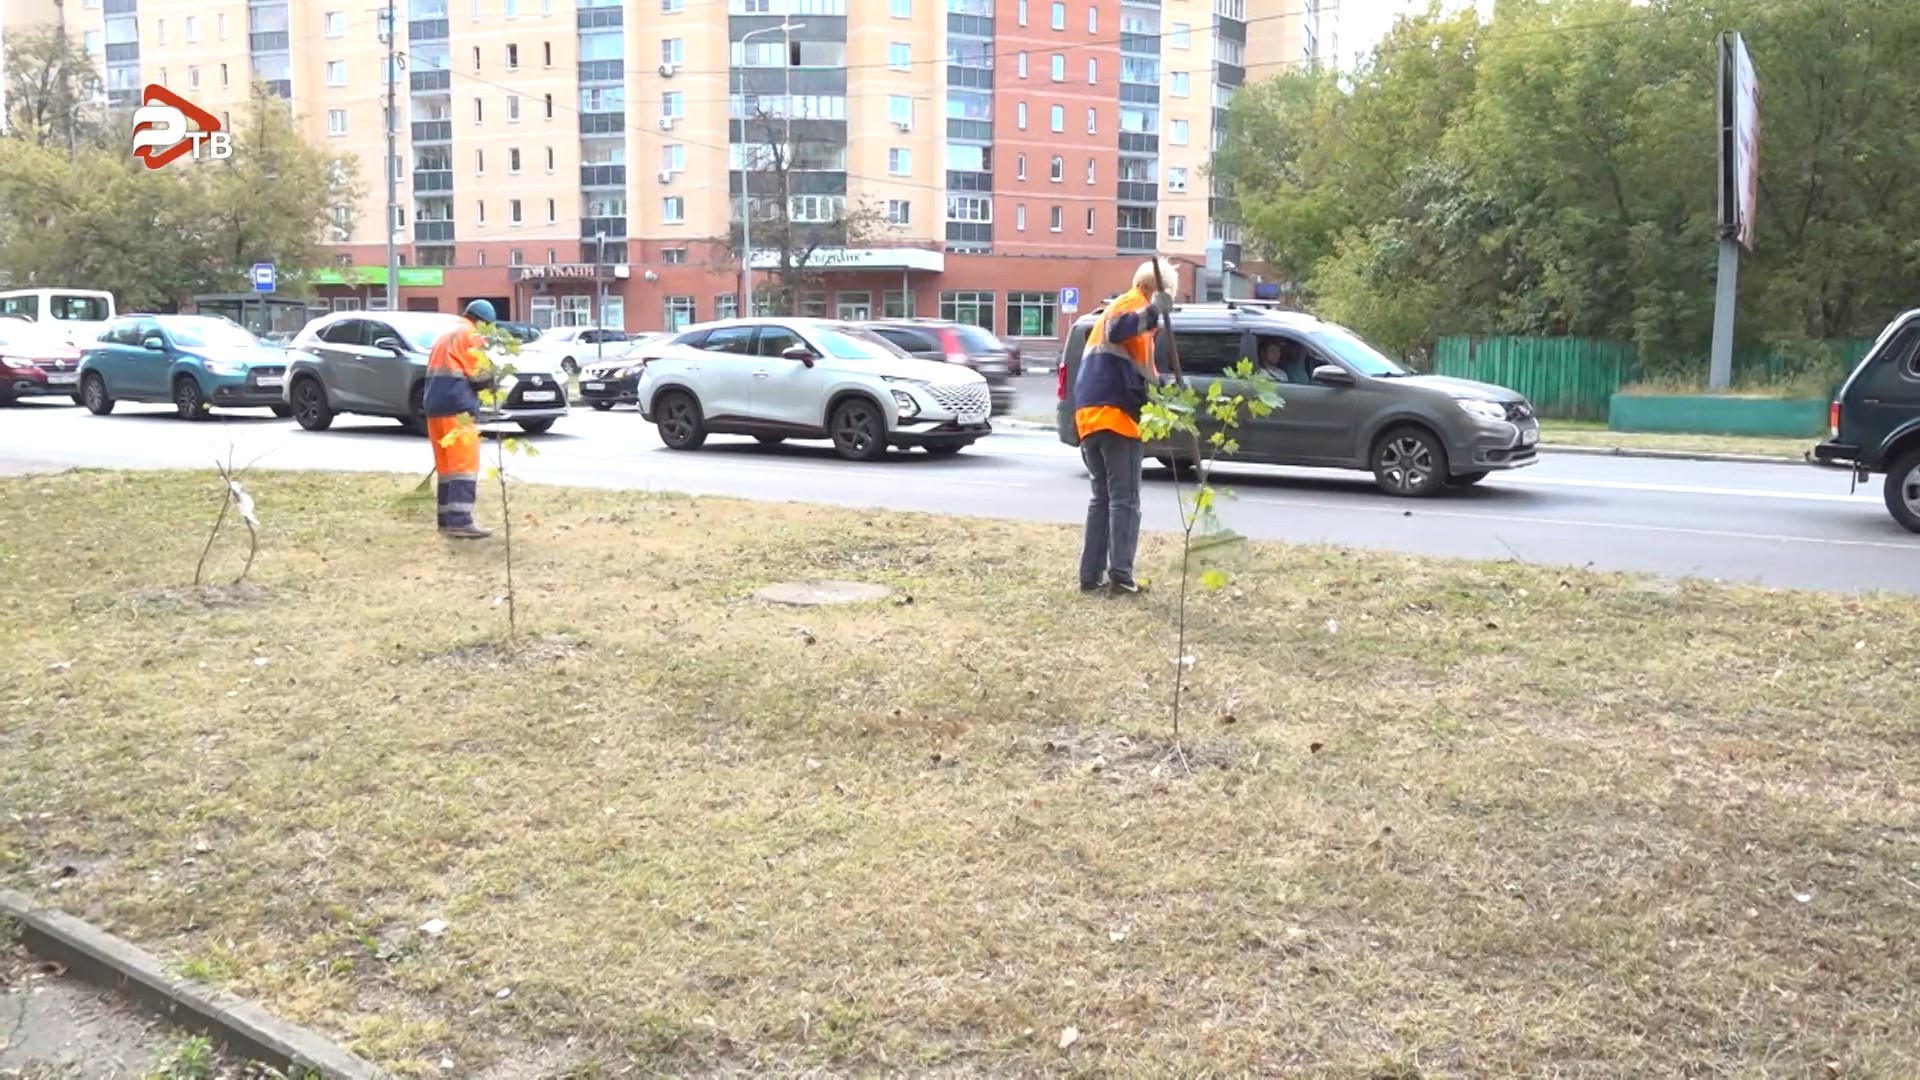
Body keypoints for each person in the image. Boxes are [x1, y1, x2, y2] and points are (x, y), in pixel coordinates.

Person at [1072, 257, 1178, 596]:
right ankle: (1121, 576)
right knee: (1125, 500)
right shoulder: (1132, 304)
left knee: (1102, 499)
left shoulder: (1128, 317)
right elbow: (1121, 328)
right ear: (1155, 290)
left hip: (1090, 416)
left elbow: (1140, 369)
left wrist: (1168, 387)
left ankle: (1090, 577)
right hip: (1115, 417)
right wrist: (1153, 311)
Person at [423, 299, 499, 540]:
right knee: (463, 466)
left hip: (435, 407)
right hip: (458, 409)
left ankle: (446, 520)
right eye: (487, 326)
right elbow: (480, 377)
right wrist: (494, 382)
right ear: (481, 321)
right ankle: (460, 522)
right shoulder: (470, 335)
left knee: (447, 468)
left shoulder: (446, 333)